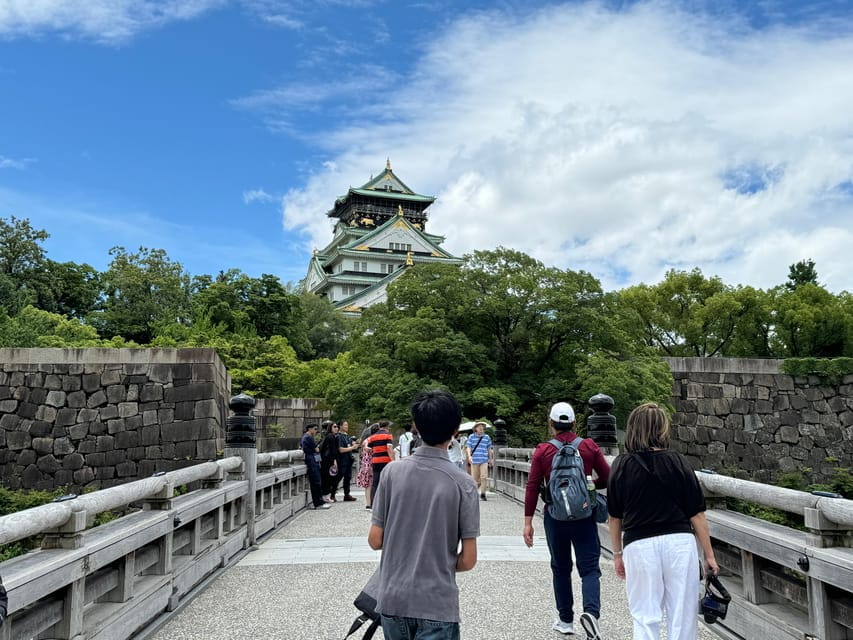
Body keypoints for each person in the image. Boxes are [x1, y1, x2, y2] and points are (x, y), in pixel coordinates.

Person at [368, 389, 479, 640]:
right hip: (436, 603)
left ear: (416, 426)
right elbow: (468, 559)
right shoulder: (464, 484)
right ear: (455, 430)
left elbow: (375, 540)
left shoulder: (391, 473)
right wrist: (435, 563)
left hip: (393, 599)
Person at [607, 403, 718, 640]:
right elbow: (697, 513)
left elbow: (614, 516)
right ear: (661, 429)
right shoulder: (678, 462)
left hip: (638, 544)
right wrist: (708, 555)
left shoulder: (621, 465)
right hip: (678, 542)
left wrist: (617, 553)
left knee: (645, 615)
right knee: (682, 614)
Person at [523, 402, 610, 638]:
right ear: (574, 423)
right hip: (584, 514)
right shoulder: (589, 447)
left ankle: (565, 620)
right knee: (590, 568)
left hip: (555, 516)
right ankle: (591, 613)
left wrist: (528, 521)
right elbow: (608, 477)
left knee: (561, 568)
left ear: (551, 424)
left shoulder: (543, 451)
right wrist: (587, 486)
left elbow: (532, 486)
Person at [301, 424, 331, 510]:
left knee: (317, 482)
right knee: (316, 482)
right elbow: (316, 449)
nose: (316, 431)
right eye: (315, 429)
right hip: (312, 461)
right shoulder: (308, 437)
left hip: (313, 460)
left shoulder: (306, 437)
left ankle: (319, 501)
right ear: (309, 429)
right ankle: (318, 503)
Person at [367, 419, 395, 506]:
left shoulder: (373, 437)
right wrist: (393, 461)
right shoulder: (388, 436)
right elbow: (389, 448)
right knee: (387, 482)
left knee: (375, 482)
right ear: (387, 427)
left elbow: (368, 448)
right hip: (386, 461)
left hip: (375, 461)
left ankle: (373, 503)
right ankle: (386, 503)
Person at [466, 422, 493, 500]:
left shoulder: (487, 437)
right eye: (479, 427)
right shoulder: (471, 437)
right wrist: (469, 456)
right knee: (475, 478)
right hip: (474, 460)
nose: (481, 429)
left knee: (484, 477)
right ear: (476, 429)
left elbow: (489, 449)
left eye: (482, 427)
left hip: (484, 460)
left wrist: (490, 459)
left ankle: (483, 493)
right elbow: (468, 447)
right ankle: (473, 492)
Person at [335, 420, 359, 502]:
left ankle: (347, 494)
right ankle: (332, 494)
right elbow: (341, 449)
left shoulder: (347, 436)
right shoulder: (339, 436)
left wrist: (355, 444)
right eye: (345, 425)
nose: (347, 427)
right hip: (341, 460)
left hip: (348, 459)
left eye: (347, 425)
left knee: (347, 478)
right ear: (340, 426)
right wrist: (352, 448)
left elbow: (350, 446)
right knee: (338, 477)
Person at [358, 423, 380, 509]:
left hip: (365, 465)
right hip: (372, 463)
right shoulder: (373, 440)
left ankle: (368, 503)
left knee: (368, 485)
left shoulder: (365, 440)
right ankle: (373, 502)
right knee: (374, 483)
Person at [319, 421, 340, 502]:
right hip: (328, 460)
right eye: (334, 427)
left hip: (327, 459)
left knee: (328, 478)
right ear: (330, 428)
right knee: (328, 478)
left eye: (337, 427)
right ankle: (326, 496)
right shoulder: (331, 437)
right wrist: (334, 460)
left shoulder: (330, 436)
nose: (336, 428)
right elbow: (333, 450)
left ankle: (326, 496)